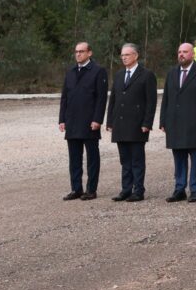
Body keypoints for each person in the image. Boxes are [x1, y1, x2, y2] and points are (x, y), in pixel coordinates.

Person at [160, 42, 196, 203]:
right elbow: (166, 99)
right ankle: (179, 189)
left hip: (195, 123)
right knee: (179, 158)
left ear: (192, 54)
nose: (181, 55)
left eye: (185, 52)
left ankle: (195, 190)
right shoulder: (172, 73)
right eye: (179, 52)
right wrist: (163, 120)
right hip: (175, 123)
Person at [105, 43, 157, 202]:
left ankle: (138, 190)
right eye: (122, 55)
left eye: (127, 55)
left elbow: (151, 102)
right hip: (120, 124)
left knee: (136, 159)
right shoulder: (119, 75)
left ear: (136, 56)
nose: (124, 58)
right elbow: (113, 99)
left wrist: (147, 123)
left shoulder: (146, 75)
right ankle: (126, 189)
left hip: (137, 125)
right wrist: (110, 121)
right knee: (124, 159)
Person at [59, 42, 109, 201]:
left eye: (81, 51)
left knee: (92, 158)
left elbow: (101, 99)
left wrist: (97, 119)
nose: (78, 54)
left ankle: (91, 189)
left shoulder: (98, 71)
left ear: (89, 53)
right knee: (74, 158)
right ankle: (76, 189)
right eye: (76, 52)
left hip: (89, 122)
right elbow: (64, 97)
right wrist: (62, 119)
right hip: (72, 122)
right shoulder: (71, 72)